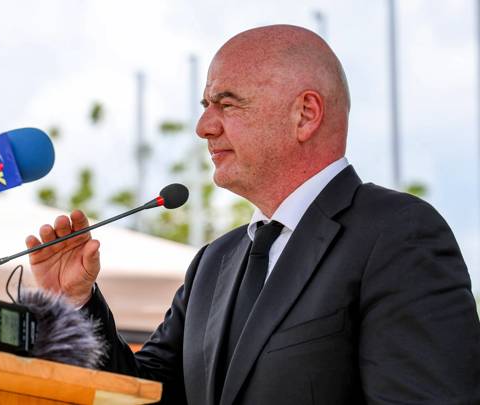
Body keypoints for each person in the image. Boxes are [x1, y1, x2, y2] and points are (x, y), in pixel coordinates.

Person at [25, 25, 480, 404]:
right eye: (205, 106)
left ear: (305, 114)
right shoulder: (213, 263)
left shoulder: (397, 234)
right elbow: (138, 395)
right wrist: (75, 305)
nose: (204, 126)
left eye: (227, 103)